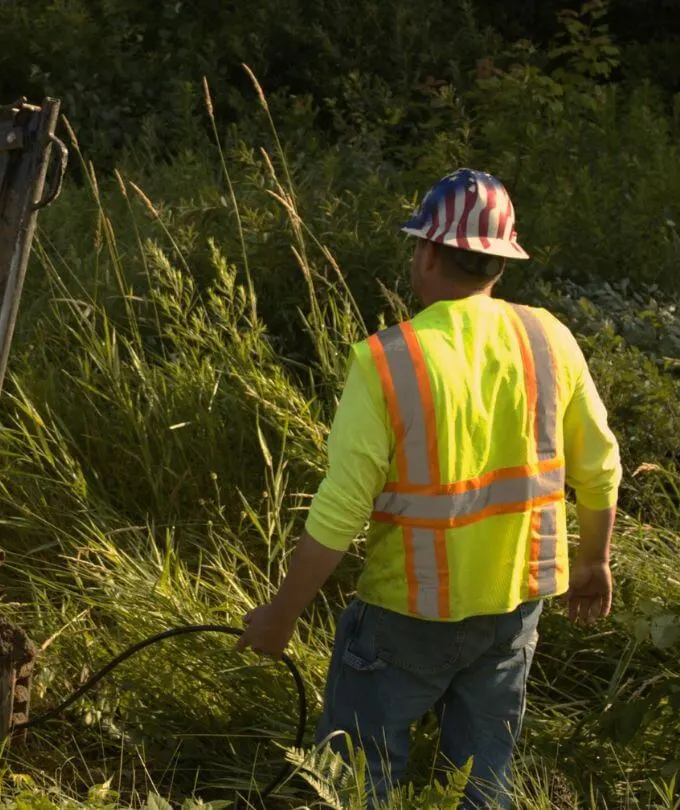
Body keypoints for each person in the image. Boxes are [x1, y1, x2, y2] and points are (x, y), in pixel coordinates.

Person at [235, 168, 622, 808]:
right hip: (514, 610)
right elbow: (600, 466)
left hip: (404, 617)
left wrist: (282, 616)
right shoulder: (549, 338)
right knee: (479, 784)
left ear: (427, 252)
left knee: (357, 784)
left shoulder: (387, 360)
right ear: (500, 260)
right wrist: (593, 560)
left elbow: (340, 512)